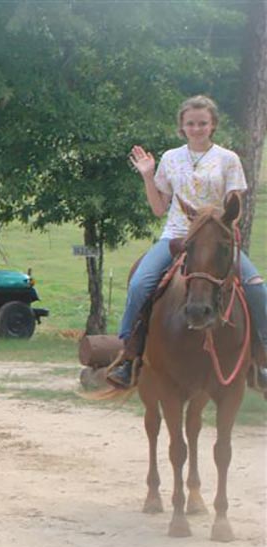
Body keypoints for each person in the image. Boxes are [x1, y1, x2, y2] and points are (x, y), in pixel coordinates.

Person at [107, 95, 267, 389]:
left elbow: (235, 204)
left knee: (257, 287)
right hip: (176, 235)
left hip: (215, 238)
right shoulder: (170, 158)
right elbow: (158, 208)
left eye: (202, 123)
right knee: (140, 283)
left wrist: (217, 226)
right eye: (191, 123)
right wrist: (147, 175)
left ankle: (262, 359)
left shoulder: (228, 159)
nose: (197, 128)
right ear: (182, 126)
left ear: (213, 125)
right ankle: (129, 356)